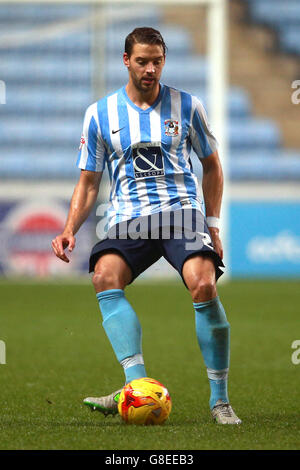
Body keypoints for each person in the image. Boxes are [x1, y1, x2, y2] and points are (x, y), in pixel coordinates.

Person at [52, 27, 241, 425]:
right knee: (104, 276)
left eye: (157, 61)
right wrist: (70, 227)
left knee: (204, 283)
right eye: (142, 61)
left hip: (179, 212)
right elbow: (88, 182)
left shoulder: (188, 107)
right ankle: (136, 387)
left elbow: (212, 167)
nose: (150, 68)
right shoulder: (100, 114)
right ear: (126, 61)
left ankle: (220, 400)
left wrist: (214, 225)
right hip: (128, 217)